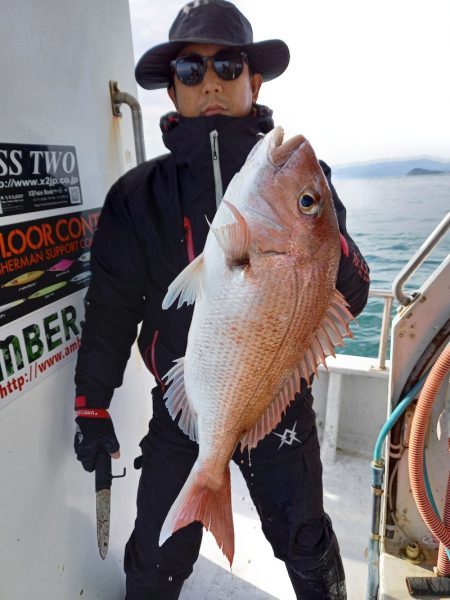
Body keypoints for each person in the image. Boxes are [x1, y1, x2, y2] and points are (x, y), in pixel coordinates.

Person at [73, 1, 370, 599]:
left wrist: (317, 229)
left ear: (253, 82)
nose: (210, 81)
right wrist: (92, 406)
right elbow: (110, 310)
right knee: (153, 557)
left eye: (227, 65)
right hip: (183, 409)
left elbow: (353, 293)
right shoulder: (136, 198)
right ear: (173, 91)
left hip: (276, 403)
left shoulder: (302, 182)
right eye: (189, 69)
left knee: (306, 544)